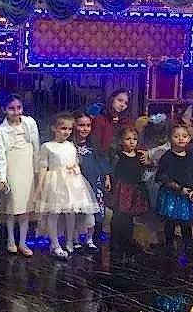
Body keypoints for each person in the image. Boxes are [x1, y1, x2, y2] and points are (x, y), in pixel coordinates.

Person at [35, 113, 100, 260]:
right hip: (55, 182)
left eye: (70, 129)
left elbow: (75, 162)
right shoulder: (47, 146)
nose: (67, 132)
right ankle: (55, 244)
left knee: (71, 212)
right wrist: (40, 186)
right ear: (54, 128)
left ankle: (70, 241)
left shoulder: (71, 145)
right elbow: (43, 167)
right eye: (63, 128)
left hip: (72, 182)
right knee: (54, 213)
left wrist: (75, 170)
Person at [0, 94, 40, 257]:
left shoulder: (30, 123)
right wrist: (2, 178)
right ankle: (11, 240)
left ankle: (23, 242)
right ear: (4, 110)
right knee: (12, 206)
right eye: (11, 108)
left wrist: (38, 170)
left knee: (25, 208)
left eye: (18, 108)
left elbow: (36, 148)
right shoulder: (0, 131)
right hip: (12, 167)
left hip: (28, 166)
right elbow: (1, 156)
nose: (16, 112)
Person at [156, 124, 193, 254]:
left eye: (184, 136)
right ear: (170, 138)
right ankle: (169, 245)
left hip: (187, 195)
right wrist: (178, 188)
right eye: (177, 136)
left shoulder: (191, 157)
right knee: (169, 222)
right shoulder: (167, 157)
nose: (181, 139)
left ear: (189, 138)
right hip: (171, 195)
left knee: (186, 223)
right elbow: (162, 176)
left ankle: (188, 245)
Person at [109, 127, 150, 259]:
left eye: (134, 139)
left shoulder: (139, 156)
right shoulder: (118, 156)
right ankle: (115, 242)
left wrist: (148, 162)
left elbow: (147, 168)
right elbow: (112, 171)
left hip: (134, 189)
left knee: (129, 218)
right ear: (121, 140)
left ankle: (127, 242)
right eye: (128, 139)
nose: (132, 142)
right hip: (122, 189)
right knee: (118, 216)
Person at [73, 111, 111, 247]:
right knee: (77, 211)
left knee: (95, 210)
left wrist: (107, 177)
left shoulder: (94, 144)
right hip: (77, 183)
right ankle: (75, 239)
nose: (85, 129)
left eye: (88, 125)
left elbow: (102, 160)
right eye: (81, 125)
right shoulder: (70, 146)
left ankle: (92, 239)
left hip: (95, 181)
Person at [92, 89, 133, 155]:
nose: (122, 105)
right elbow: (95, 144)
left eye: (126, 103)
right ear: (112, 99)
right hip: (103, 158)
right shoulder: (100, 119)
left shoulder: (129, 122)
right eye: (120, 100)